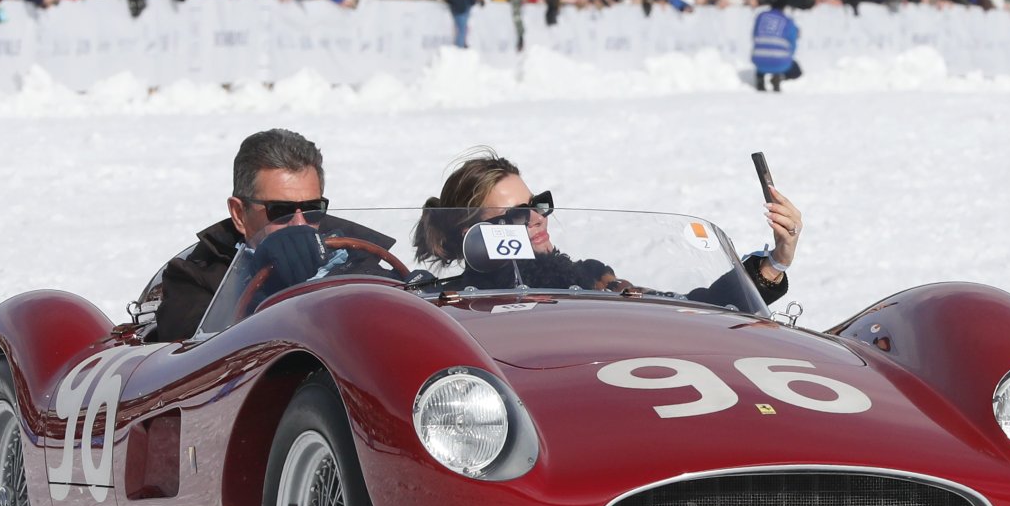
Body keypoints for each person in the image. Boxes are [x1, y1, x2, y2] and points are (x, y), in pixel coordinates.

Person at [412, 151, 800, 304]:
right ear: (472, 232)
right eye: (516, 214)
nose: (538, 217)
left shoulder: (586, 279)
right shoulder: (449, 304)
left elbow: (691, 311)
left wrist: (774, 262)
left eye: (537, 204)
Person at [155, 129, 329, 342]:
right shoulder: (195, 281)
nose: (300, 223)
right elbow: (196, 348)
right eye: (280, 211)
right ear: (239, 214)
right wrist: (266, 286)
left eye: (312, 209)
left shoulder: (355, 257)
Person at [751, 0, 801, 92]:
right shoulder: (787, 20)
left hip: (759, 60)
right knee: (796, 71)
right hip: (781, 62)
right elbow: (793, 41)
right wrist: (789, 55)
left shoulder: (761, 16)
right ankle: (778, 77)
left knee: (765, 60)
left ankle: (760, 78)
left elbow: (755, 35)